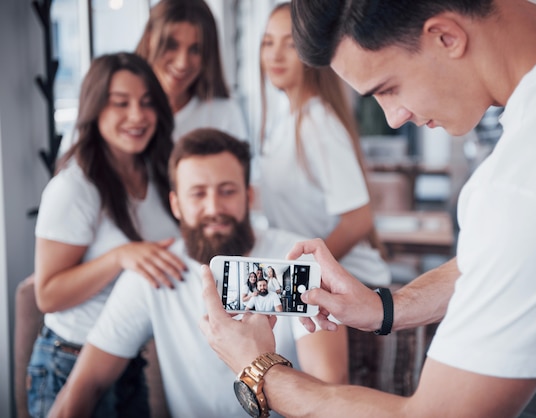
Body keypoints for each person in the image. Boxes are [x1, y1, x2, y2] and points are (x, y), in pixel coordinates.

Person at [199, 0, 536, 417]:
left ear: (446, 36)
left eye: (388, 88)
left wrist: (259, 370)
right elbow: (515, 254)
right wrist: (387, 307)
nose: (393, 118)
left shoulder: (532, 192)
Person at [47, 128, 349, 418]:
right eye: (198, 194)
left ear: (249, 196)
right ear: (176, 205)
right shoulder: (153, 271)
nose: (213, 207)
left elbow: (329, 387)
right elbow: (84, 387)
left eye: (227, 191)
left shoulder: (296, 261)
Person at [27, 52, 185, 418]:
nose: (137, 116)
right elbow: (47, 295)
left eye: (147, 103)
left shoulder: (158, 170)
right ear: (95, 108)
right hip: (70, 360)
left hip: (127, 358)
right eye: (121, 104)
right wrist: (119, 257)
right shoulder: (74, 188)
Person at [257, 2, 390, 288]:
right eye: (268, 43)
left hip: (349, 282)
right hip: (313, 277)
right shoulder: (285, 121)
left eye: (289, 44)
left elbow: (358, 220)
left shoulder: (318, 124)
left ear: (310, 51)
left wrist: (299, 274)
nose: (275, 55)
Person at [57, 0, 246, 157]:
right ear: (149, 39)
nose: (182, 63)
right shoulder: (107, 110)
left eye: (195, 49)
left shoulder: (224, 114)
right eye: (171, 45)